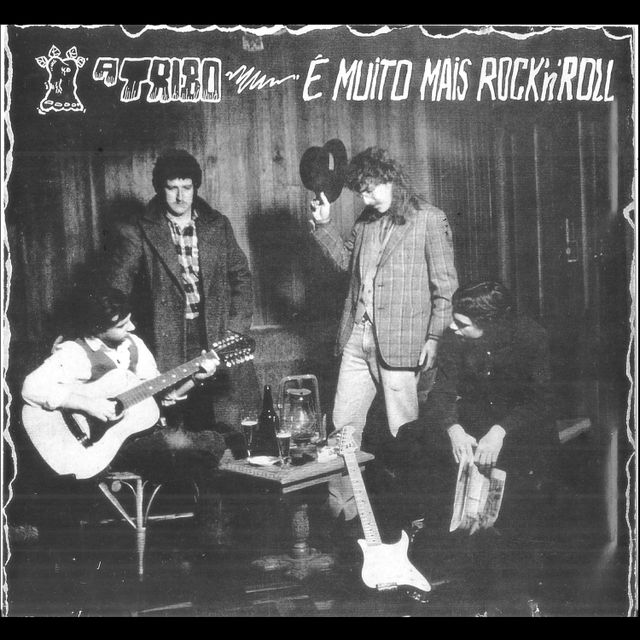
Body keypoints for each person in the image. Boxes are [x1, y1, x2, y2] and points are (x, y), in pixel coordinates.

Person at [309, 146, 458, 523]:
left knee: (406, 434)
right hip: (357, 338)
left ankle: (416, 521)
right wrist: (324, 225)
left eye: (370, 189)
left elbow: (445, 289)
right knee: (343, 430)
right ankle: (344, 514)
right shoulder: (365, 221)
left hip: (404, 345)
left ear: (391, 179)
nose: (365, 198)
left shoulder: (430, 219)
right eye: (360, 192)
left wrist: (435, 339)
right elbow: (346, 264)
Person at [21, 286, 233, 548]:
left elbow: (162, 396)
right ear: (96, 327)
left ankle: (210, 540)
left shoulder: (135, 346)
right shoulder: (74, 353)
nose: (131, 327)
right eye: (122, 325)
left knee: (212, 441)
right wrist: (89, 405)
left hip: (139, 437)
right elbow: (31, 388)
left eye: (129, 320)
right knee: (205, 444)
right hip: (100, 446)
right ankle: (213, 543)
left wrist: (195, 379)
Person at [413, 280, 560, 615]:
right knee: (420, 444)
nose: (453, 328)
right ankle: (456, 568)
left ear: (489, 324)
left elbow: (542, 402)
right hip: (475, 428)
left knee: (514, 513)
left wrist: (501, 430)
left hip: (522, 430)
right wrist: (453, 428)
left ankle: (517, 589)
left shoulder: (531, 337)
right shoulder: (454, 339)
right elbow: (441, 393)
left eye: (462, 323)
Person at [106, 149, 258, 434]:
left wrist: (236, 330)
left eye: (186, 187)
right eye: (172, 188)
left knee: (228, 422)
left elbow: (241, 277)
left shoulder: (218, 224)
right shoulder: (138, 230)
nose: (180, 196)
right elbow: (119, 285)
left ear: (195, 187)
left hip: (217, 333)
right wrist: (107, 329)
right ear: (159, 188)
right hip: (168, 338)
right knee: (177, 427)